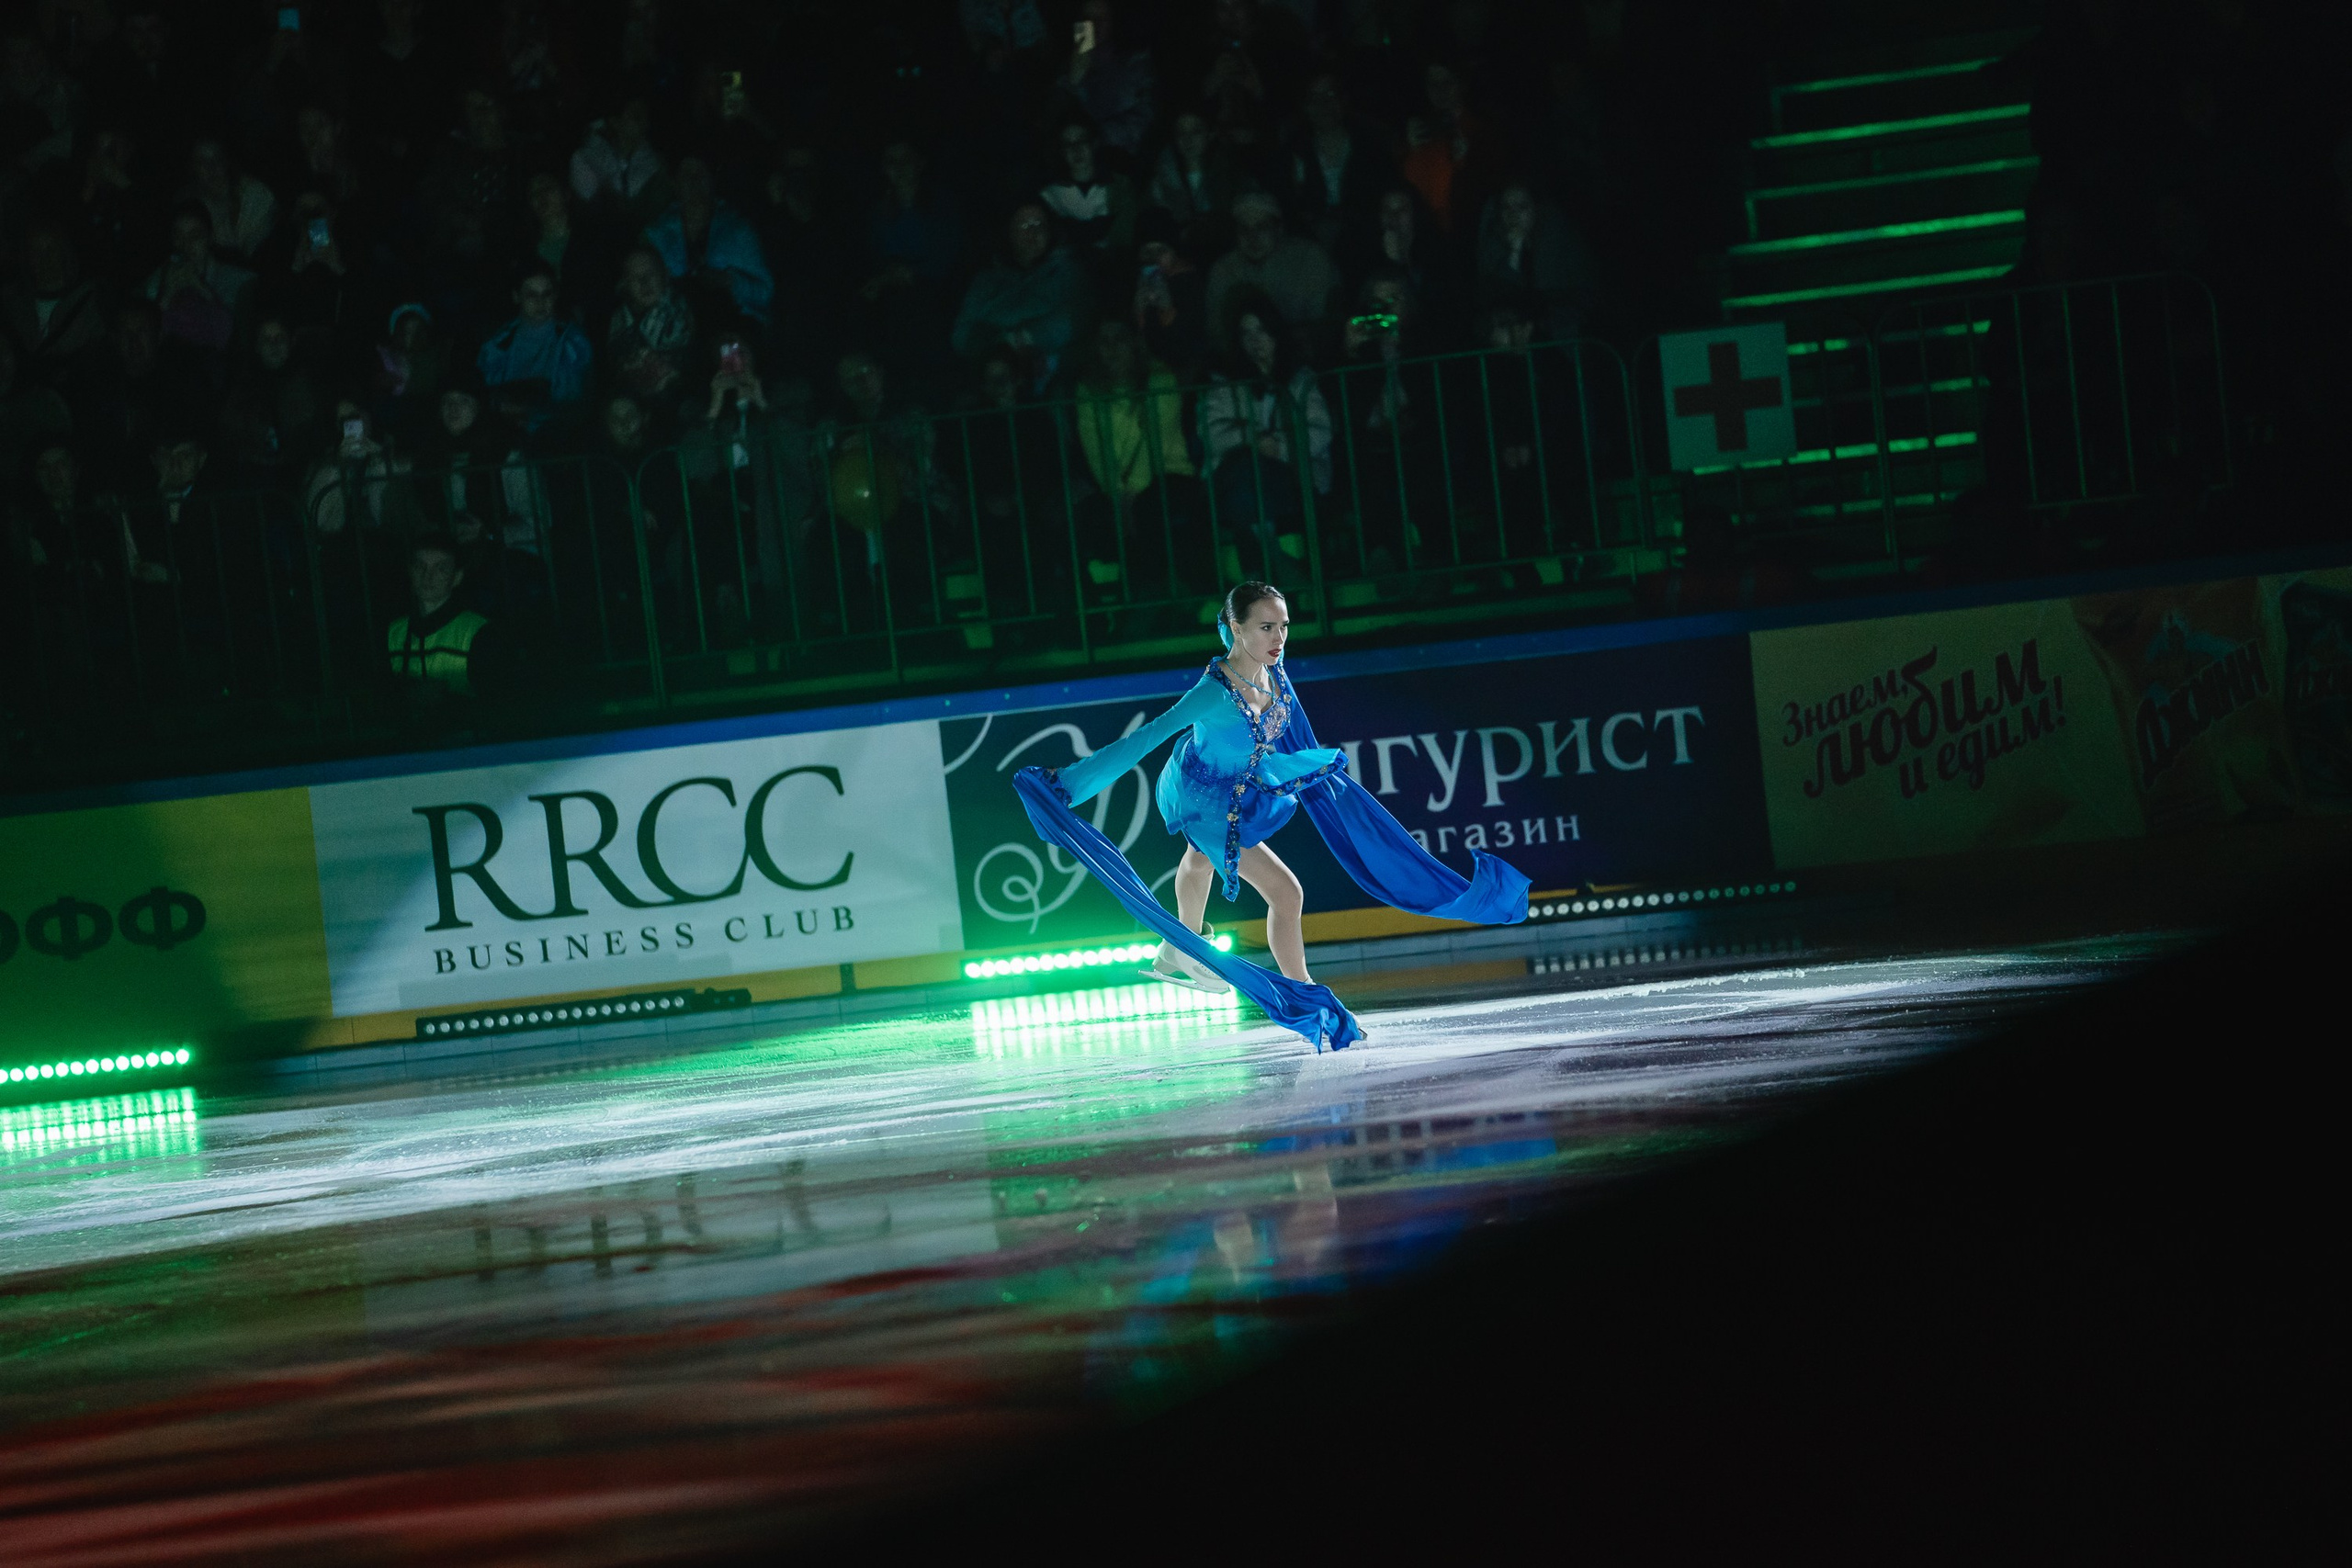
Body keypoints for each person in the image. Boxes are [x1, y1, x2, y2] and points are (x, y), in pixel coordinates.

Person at [1010, 580, 1530, 1051]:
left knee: (1198, 862)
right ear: (1235, 628)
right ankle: (1306, 999)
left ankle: (1175, 951)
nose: (1278, 637)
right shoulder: (1213, 692)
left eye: (1283, 626)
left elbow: (1292, 732)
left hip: (1240, 789)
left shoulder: (1274, 673)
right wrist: (1069, 785)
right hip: (1206, 798)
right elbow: (1145, 738)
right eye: (1265, 627)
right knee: (1287, 892)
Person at [1199, 296, 1330, 576]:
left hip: (1290, 478)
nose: (1254, 340)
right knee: (1247, 473)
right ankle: (1276, 562)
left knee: (1251, 486)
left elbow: (1321, 430)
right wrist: (1252, 439)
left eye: (1261, 330)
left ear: (1275, 333)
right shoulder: (1225, 383)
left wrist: (1280, 447)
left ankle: (1260, 578)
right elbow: (1210, 434)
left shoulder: (1300, 379)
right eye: (1246, 333)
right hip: (1236, 481)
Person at [952, 203, 1091, 389]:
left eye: (1039, 223)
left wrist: (1026, 337)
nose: (1033, 230)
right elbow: (961, 333)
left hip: (1056, 375)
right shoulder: (986, 280)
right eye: (1024, 225)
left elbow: (1076, 317)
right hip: (996, 371)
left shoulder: (1068, 270)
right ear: (1009, 232)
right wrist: (1001, 346)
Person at [1204, 191, 1340, 354]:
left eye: (1262, 227)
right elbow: (1217, 331)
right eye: (1244, 229)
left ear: (1279, 228)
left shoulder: (1310, 259)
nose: (1252, 237)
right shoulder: (1224, 270)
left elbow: (1327, 321)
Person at [476, 262, 594, 432]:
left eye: (547, 294)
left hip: (559, 433)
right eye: (531, 295)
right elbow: (483, 397)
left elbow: (582, 402)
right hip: (503, 432)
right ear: (516, 296)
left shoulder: (575, 343)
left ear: (555, 295)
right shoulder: (495, 346)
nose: (541, 302)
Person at [386, 531, 492, 701]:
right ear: (410, 571)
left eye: (441, 568)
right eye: (420, 567)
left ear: (457, 577)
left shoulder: (477, 630)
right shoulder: (394, 631)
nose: (428, 576)